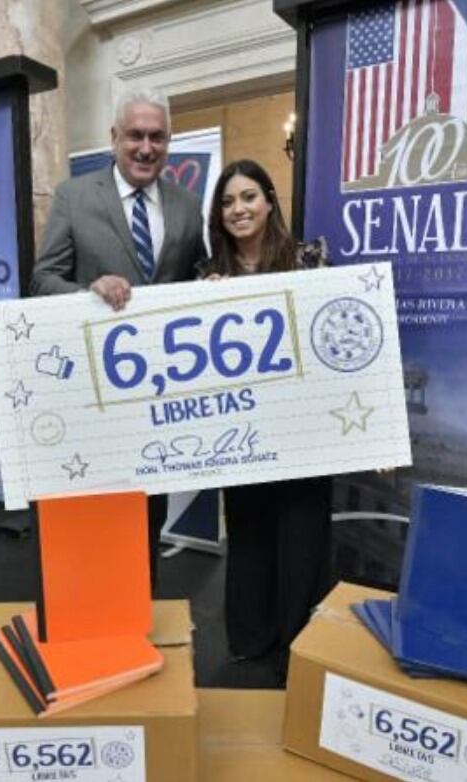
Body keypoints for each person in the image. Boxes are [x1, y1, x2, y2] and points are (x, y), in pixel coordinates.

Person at [31, 88, 207, 590]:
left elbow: (197, 276)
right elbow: (41, 280)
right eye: (135, 135)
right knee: (92, 519)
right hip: (94, 397)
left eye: (157, 137)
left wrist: (211, 284)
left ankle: (139, 611)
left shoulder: (187, 205)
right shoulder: (74, 196)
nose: (146, 148)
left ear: (168, 141)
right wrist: (88, 292)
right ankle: (89, 611)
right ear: (114, 137)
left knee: (147, 518)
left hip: (158, 399)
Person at [207, 159, 332, 676]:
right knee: (250, 533)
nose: (238, 209)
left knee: (302, 538)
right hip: (244, 433)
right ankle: (250, 637)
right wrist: (206, 305)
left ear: (269, 201)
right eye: (227, 201)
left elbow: (330, 336)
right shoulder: (207, 274)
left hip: (303, 429)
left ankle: (296, 646)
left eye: (248, 197)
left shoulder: (308, 259)